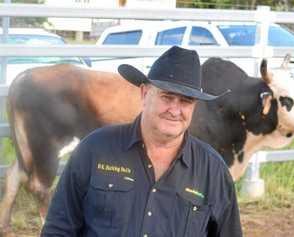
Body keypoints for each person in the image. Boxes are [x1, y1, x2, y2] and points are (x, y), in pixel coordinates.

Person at [41, 46, 243, 237]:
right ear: (145, 94)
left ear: (194, 106)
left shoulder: (213, 171)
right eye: (167, 96)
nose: (174, 110)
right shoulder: (94, 150)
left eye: (186, 101)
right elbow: (59, 228)